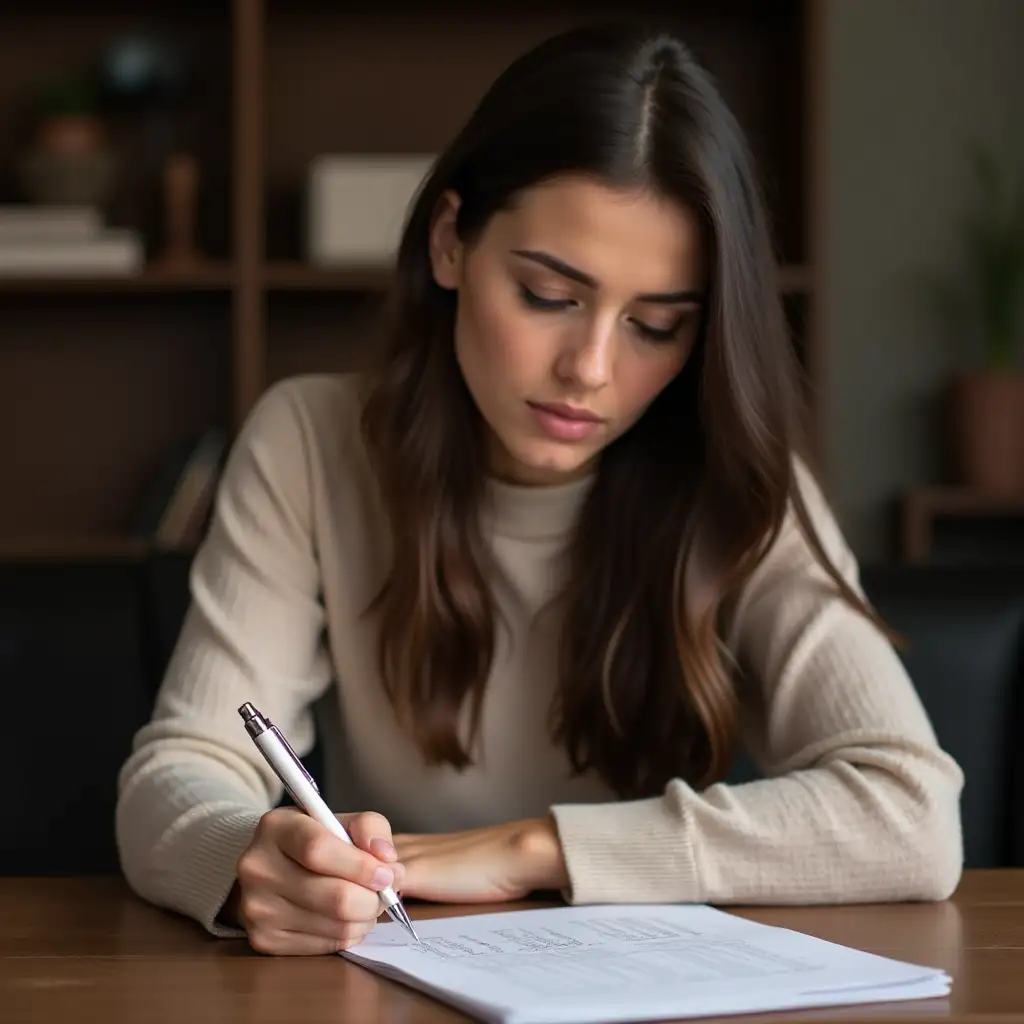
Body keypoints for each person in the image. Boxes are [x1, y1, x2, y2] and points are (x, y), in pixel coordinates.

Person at [116, 22, 964, 956]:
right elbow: (180, 769)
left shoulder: (743, 486)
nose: (591, 368)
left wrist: (538, 848)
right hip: (402, 978)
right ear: (450, 242)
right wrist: (246, 859)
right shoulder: (311, 445)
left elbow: (912, 813)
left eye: (656, 325)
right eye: (550, 297)